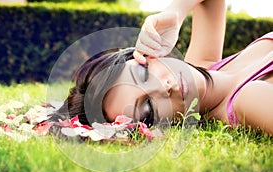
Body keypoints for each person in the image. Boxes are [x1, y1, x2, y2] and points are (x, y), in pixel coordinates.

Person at [50, 0, 273, 136]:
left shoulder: (205, 64)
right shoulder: (247, 100)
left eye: (143, 73)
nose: (165, 87)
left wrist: (175, 14)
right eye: (148, 109)